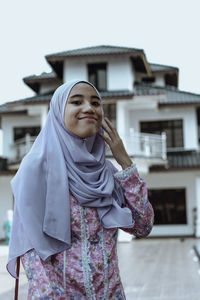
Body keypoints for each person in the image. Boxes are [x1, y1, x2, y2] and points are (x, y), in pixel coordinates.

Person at [7, 80, 154, 299]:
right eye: (76, 101)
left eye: (96, 103)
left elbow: (142, 226)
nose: (89, 108)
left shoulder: (108, 173)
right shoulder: (36, 168)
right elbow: (31, 252)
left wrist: (125, 163)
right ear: (58, 111)